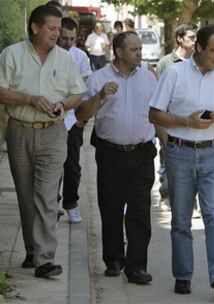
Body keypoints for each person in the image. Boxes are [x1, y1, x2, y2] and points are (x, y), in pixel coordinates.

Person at [149, 24, 214, 301]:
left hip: (213, 152)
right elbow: (154, 114)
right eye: (213, 50)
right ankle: (183, 274)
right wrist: (186, 121)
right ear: (198, 47)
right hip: (180, 152)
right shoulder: (174, 73)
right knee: (180, 219)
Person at [0, 4, 85, 277]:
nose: (56, 34)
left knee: (47, 197)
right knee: (26, 197)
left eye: (59, 29)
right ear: (35, 27)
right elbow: (1, 91)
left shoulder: (65, 58)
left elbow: (77, 94)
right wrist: (28, 99)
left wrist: (63, 104)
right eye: (51, 28)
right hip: (19, 131)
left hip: (53, 133)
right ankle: (31, 251)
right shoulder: (11, 54)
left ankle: (45, 258)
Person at [76, 31, 157, 283]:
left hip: (142, 153)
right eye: (134, 49)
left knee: (140, 210)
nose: (139, 53)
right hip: (110, 153)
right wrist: (100, 96)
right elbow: (81, 115)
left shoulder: (149, 78)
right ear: (119, 52)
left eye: (140, 49)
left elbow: (157, 113)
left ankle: (137, 266)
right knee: (110, 207)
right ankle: (113, 259)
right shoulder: (98, 78)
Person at [155, 22, 198, 211]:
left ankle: (190, 200)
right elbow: (157, 97)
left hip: (192, 123)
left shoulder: (197, 61)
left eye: (197, 37)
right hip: (169, 123)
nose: (195, 41)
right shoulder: (166, 63)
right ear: (180, 39)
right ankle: (166, 195)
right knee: (168, 160)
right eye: (191, 37)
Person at [57, 17, 92, 223]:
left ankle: (70, 203)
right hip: (52, 118)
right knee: (51, 165)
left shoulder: (80, 57)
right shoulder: (50, 54)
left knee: (72, 166)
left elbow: (85, 90)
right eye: (64, 38)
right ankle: (52, 202)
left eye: (72, 38)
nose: (68, 42)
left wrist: (82, 118)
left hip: (72, 120)